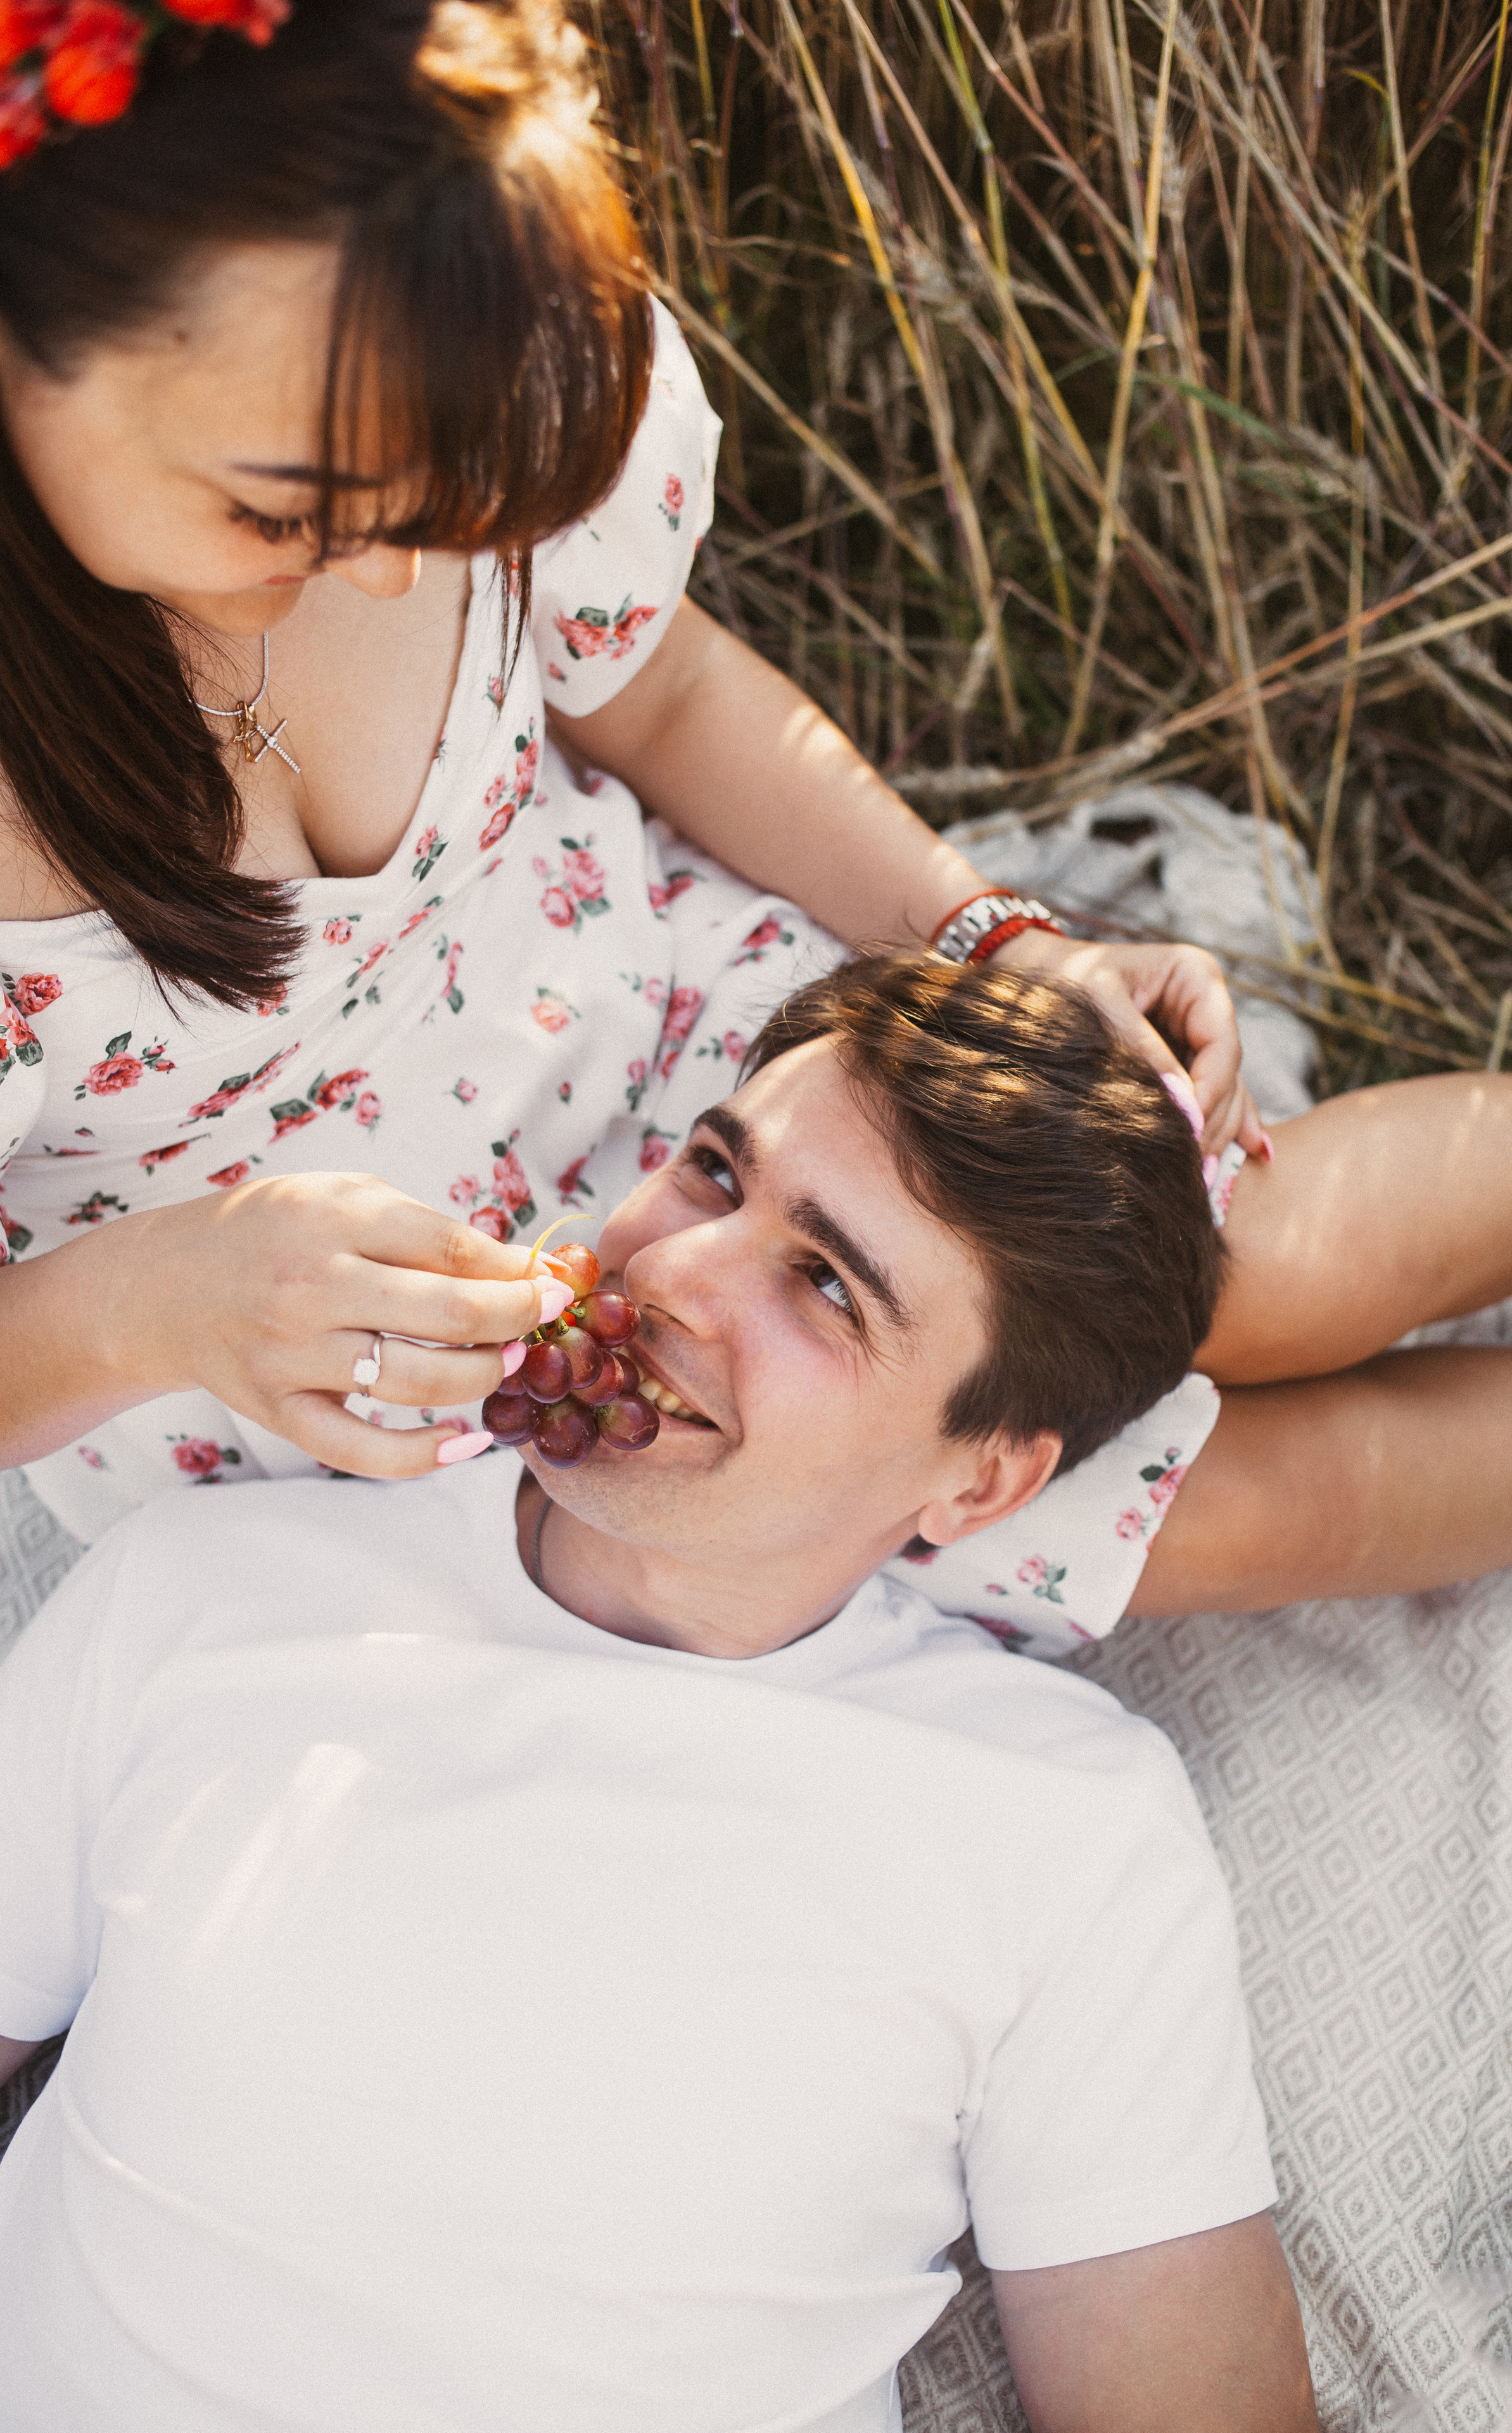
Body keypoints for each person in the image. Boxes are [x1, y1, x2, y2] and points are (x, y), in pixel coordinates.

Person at [0, 0, 1261, 1580]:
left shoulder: (465, 338)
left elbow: (658, 694)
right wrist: (161, 1303)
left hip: (699, 1055)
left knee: (1235, 1252)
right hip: (332, 1374)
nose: (384, 574)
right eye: (282, 511)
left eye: (437, 507)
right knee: (1222, 1511)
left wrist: (987, 933)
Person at [0, 958, 1316, 2433]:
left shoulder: (1065, 1831)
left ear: (983, 1479)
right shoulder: (208, 1586)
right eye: (712, 1172)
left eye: (825, 1286)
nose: (669, 1275)